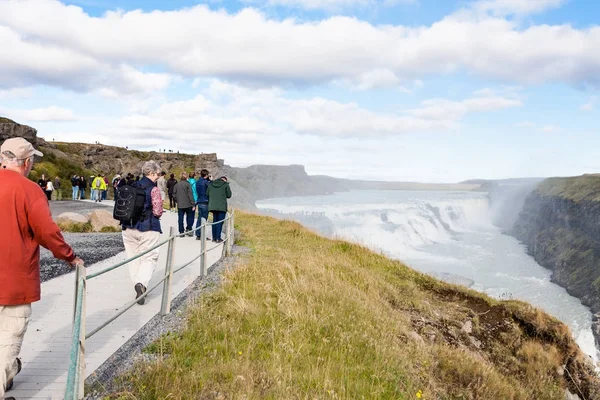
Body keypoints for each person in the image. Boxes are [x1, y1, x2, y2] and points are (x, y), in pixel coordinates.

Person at [0, 138, 83, 398]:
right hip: (13, 278)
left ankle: (9, 373)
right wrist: (69, 256)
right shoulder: (29, 190)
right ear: (26, 162)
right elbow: (46, 231)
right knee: (8, 338)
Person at [121, 161, 164, 305]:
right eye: (157, 174)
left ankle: (137, 285)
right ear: (151, 173)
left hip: (128, 227)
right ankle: (141, 283)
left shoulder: (132, 185)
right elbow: (157, 211)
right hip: (148, 227)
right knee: (150, 257)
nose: (158, 177)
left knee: (133, 258)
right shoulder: (154, 189)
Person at [207, 176, 232, 243]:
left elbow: (207, 193)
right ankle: (218, 238)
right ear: (225, 180)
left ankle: (214, 237)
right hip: (221, 206)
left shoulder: (211, 184)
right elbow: (229, 195)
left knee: (215, 221)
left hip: (213, 206)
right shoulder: (225, 185)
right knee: (220, 222)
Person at [173, 172, 195, 237]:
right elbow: (190, 194)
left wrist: (177, 200)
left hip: (180, 204)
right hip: (188, 204)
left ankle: (181, 231)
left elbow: (174, 195)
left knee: (180, 218)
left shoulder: (176, 185)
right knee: (190, 217)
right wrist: (193, 203)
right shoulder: (188, 185)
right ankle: (189, 228)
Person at [195, 169, 211, 241]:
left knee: (199, 218)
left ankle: (198, 234)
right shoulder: (206, 182)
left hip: (199, 201)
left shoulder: (198, 182)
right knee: (204, 219)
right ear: (206, 175)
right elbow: (211, 186)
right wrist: (210, 180)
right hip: (205, 201)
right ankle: (202, 235)